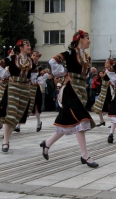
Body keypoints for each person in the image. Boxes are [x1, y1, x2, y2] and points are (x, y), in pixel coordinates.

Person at [40, 30, 98, 168]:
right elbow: (52, 61)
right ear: (80, 39)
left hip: (81, 90)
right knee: (81, 120)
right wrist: (65, 73)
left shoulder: (87, 57)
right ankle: (85, 156)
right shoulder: (70, 53)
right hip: (71, 90)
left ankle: (46, 144)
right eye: (87, 38)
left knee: (68, 122)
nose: (89, 40)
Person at [0, 39, 36, 151]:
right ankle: (5, 141)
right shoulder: (13, 58)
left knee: (18, 115)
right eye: (27, 45)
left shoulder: (31, 61)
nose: (29, 47)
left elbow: (35, 72)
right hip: (14, 86)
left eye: (29, 45)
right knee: (12, 112)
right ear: (20, 47)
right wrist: (6, 74)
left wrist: (33, 79)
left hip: (26, 87)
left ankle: (7, 137)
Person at [93, 59, 116, 126]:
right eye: (105, 62)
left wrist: (111, 83)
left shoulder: (111, 71)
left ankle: (114, 122)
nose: (105, 63)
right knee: (98, 106)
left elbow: (115, 79)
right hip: (103, 90)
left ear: (110, 64)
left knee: (110, 106)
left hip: (108, 90)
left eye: (107, 62)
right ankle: (102, 121)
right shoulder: (106, 71)